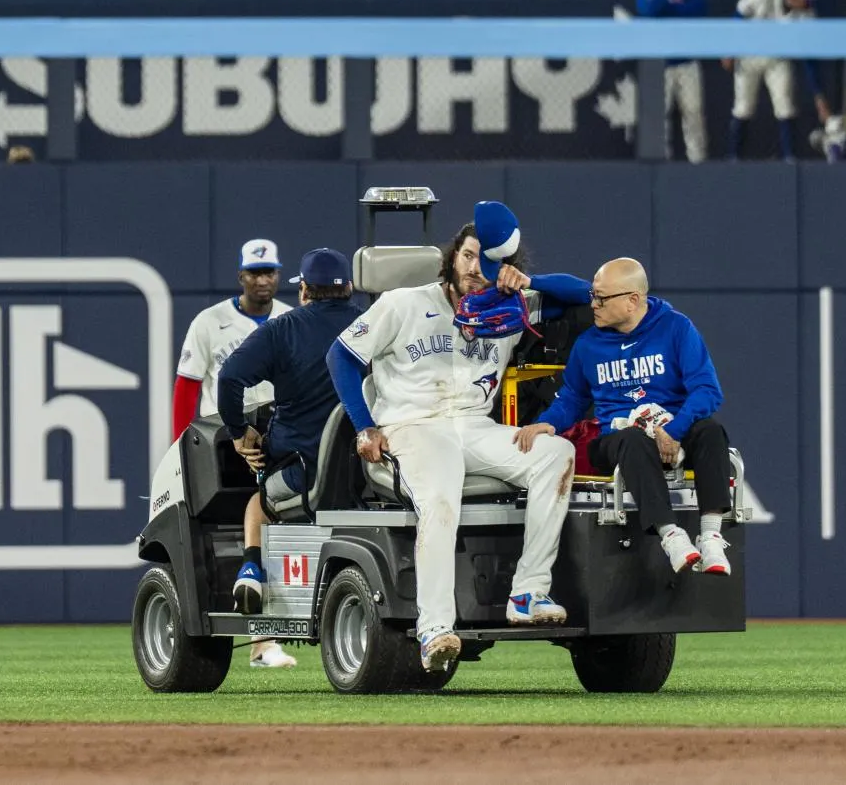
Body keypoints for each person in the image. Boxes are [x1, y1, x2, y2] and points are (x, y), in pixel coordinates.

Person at [325, 201, 593, 673]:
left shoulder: (511, 305)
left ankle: (528, 592)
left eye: (483, 260)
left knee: (557, 454)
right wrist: (365, 424)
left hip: (474, 426)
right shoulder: (404, 302)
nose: (474, 267)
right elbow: (341, 356)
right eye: (467, 256)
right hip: (413, 427)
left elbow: (584, 294)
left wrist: (528, 283)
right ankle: (435, 629)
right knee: (442, 497)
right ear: (452, 257)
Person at [514, 258, 733, 578]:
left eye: (601, 298)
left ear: (633, 300)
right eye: (593, 296)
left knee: (711, 431)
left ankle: (712, 535)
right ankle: (671, 535)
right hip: (616, 438)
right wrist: (549, 422)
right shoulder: (588, 343)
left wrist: (674, 429)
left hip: (670, 430)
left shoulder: (675, 327)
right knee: (632, 440)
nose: (593, 304)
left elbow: (707, 390)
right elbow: (572, 398)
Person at [217, 248, 363, 668]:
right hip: (374, 475)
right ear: (349, 288)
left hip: (302, 475)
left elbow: (229, 378)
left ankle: (250, 570)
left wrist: (237, 431)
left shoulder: (283, 329)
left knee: (258, 503)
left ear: (302, 290)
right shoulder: (370, 323)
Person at [173, 239, 293, 442]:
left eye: (269, 273)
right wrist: (180, 444)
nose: (263, 281)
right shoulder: (209, 321)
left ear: (278, 275)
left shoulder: (290, 318)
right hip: (222, 432)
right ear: (241, 277)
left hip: (278, 430)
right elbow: (187, 387)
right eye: (254, 273)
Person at [724, 0, 828, 160]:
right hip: (748, 55)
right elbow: (738, 17)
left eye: (807, 1)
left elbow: (810, 57)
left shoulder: (807, 15)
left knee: (785, 107)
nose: (804, 3)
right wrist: (729, 50)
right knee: (743, 108)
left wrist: (819, 96)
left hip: (778, 59)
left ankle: (789, 157)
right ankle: (733, 157)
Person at [636, 0, 709, 163]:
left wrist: (667, 11)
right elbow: (647, 10)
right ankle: (660, 166)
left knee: (693, 112)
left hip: (687, 61)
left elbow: (698, 12)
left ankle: (698, 163)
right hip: (657, 63)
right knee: (658, 117)